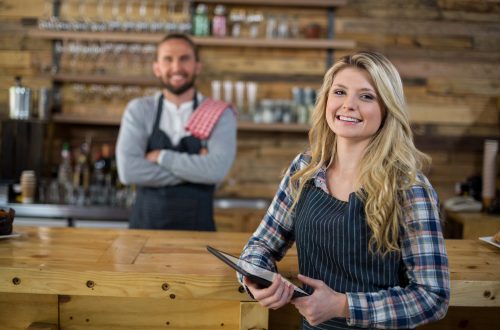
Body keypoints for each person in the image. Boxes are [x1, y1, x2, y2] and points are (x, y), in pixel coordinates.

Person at [239, 51, 450, 329]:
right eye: (339, 92)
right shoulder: (305, 169)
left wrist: (343, 305)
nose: (348, 105)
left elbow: (433, 296)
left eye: (366, 96)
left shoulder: (409, 188)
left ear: (387, 109)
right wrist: (255, 277)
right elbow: (261, 245)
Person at [116, 34, 237, 231]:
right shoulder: (139, 110)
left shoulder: (220, 114)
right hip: (143, 234)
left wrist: (161, 157)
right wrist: (198, 170)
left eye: (184, 59)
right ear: (157, 68)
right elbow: (128, 171)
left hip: (198, 235)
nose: (176, 68)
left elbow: (216, 171)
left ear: (198, 66)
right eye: (168, 59)